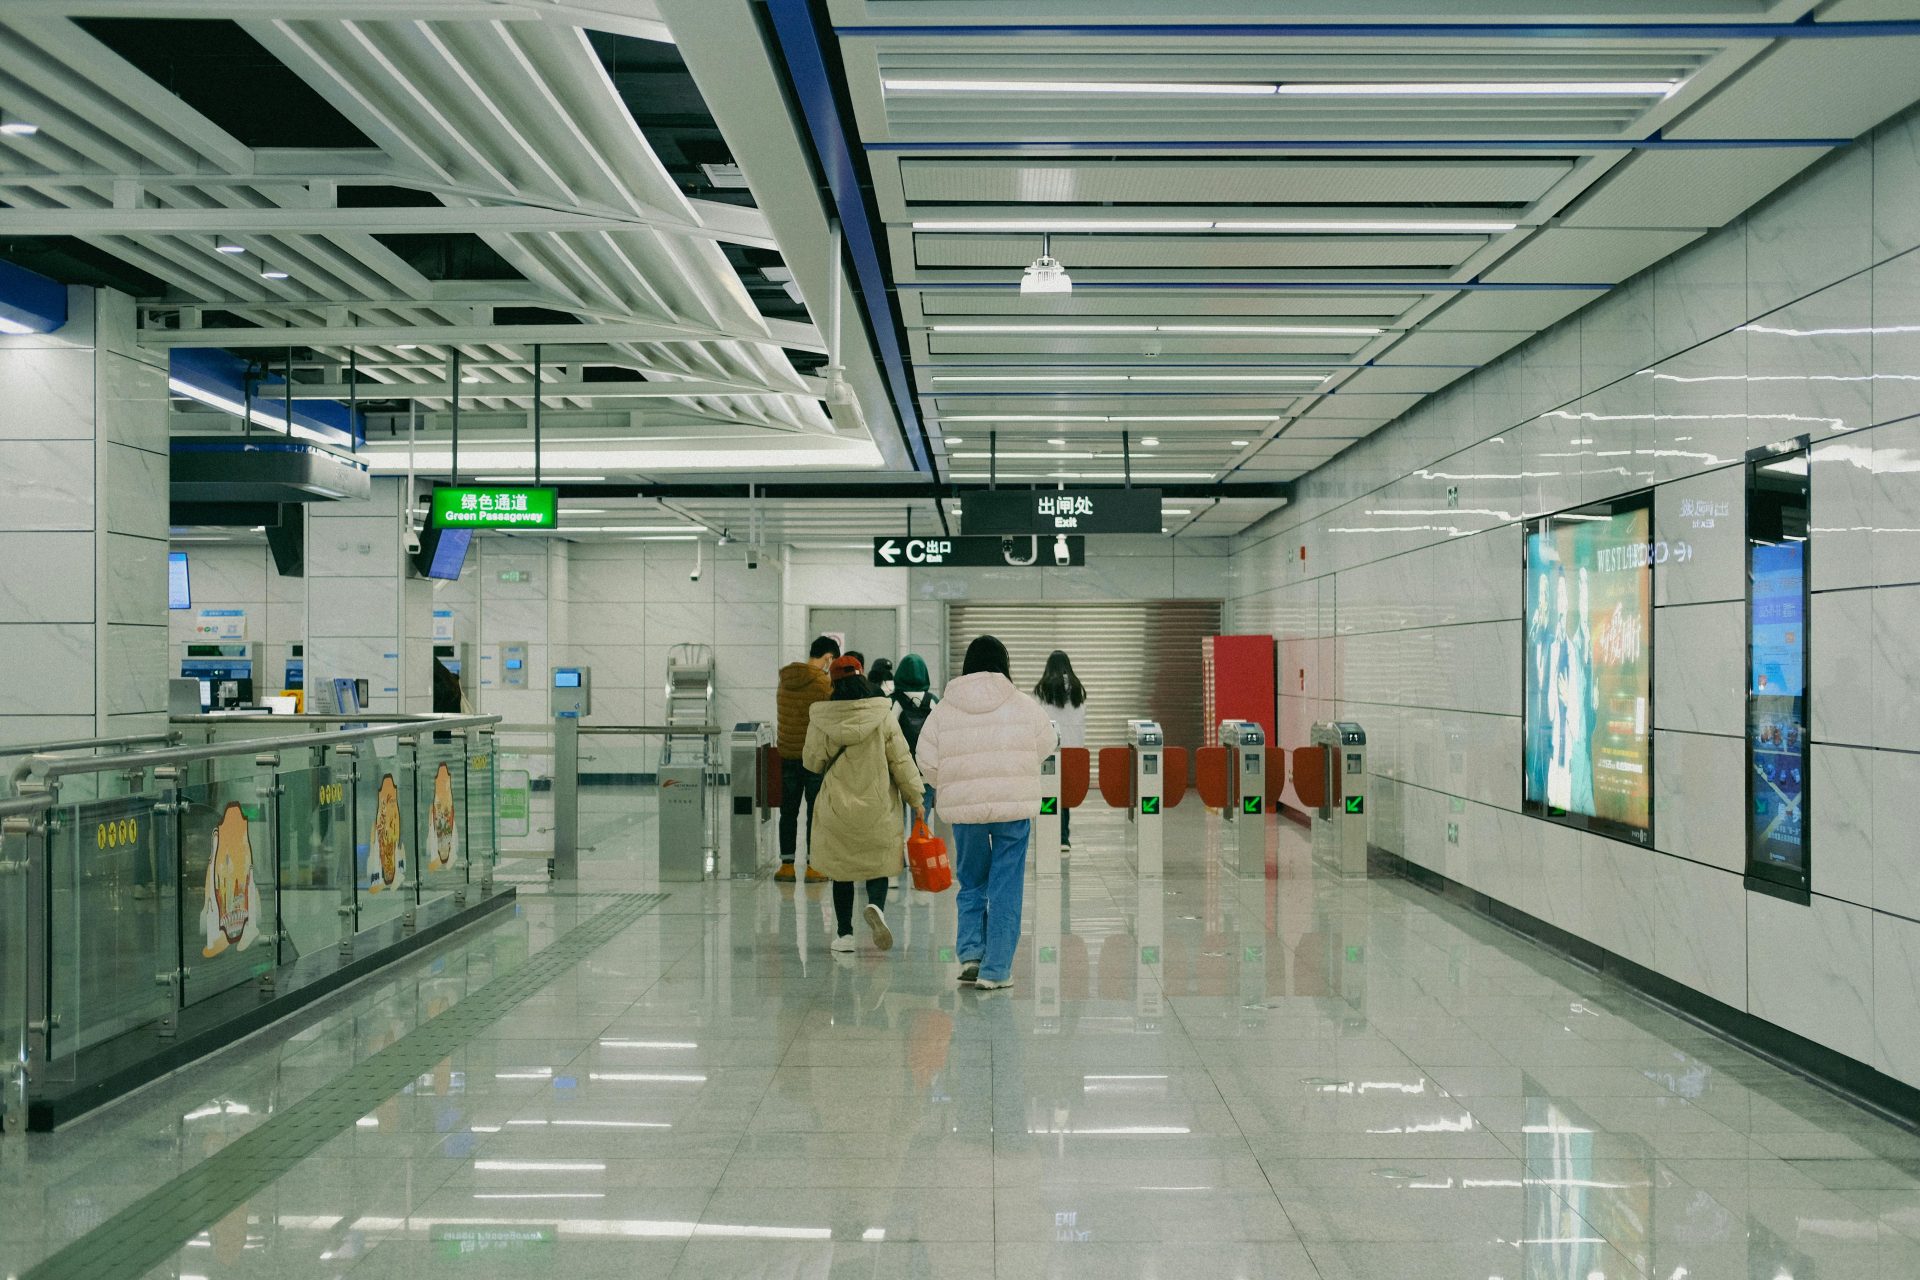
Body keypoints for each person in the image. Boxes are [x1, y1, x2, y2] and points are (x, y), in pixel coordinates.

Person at [916, 635, 1055, 991]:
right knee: (1006, 884)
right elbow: (1046, 743)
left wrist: (952, 782)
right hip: (1012, 806)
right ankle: (996, 971)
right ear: (1003, 663)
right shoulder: (1022, 704)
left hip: (965, 812)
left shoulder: (944, 708)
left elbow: (927, 762)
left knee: (972, 881)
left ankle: (971, 954)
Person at [804, 656, 926, 954]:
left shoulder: (822, 719)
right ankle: (876, 906)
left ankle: (845, 935)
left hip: (837, 809)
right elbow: (901, 760)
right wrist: (916, 798)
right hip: (877, 806)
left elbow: (812, 761)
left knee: (842, 871)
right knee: (878, 865)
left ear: (833, 683)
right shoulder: (882, 716)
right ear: (862, 679)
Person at [775, 635, 839, 883]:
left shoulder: (785, 681)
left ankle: (787, 865)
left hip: (788, 755)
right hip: (813, 757)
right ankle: (813, 865)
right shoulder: (823, 683)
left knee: (788, 811)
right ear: (828, 658)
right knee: (815, 812)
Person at [1032, 650, 1086, 852]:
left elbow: (1035, 720)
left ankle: (1052, 834)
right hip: (1074, 749)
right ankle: (1064, 837)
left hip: (1049, 748)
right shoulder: (1077, 690)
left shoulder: (1041, 690)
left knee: (1048, 792)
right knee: (1067, 793)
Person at [891, 653, 938, 820]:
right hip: (925, 772)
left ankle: (900, 847)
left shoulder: (894, 701)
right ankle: (918, 846)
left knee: (897, 823)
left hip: (899, 773)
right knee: (921, 824)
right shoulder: (933, 701)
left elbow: (887, 734)